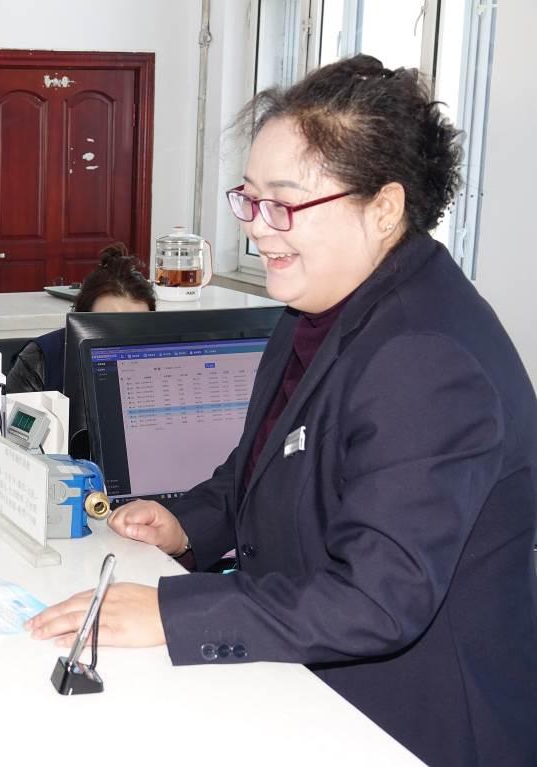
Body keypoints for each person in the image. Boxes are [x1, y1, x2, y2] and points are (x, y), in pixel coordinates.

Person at [27, 55, 537, 766]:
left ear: (384, 208)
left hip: (412, 725)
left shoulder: (426, 358)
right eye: (250, 199)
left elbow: (378, 598)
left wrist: (172, 613)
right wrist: (188, 524)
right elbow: (266, 464)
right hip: (312, 686)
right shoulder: (316, 307)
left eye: (285, 204)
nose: (259, 230)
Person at [5, 243, 156, 393]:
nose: (121, 343)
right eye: (108, 326)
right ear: (80, 322)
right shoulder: (39, 360)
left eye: (135, 328)